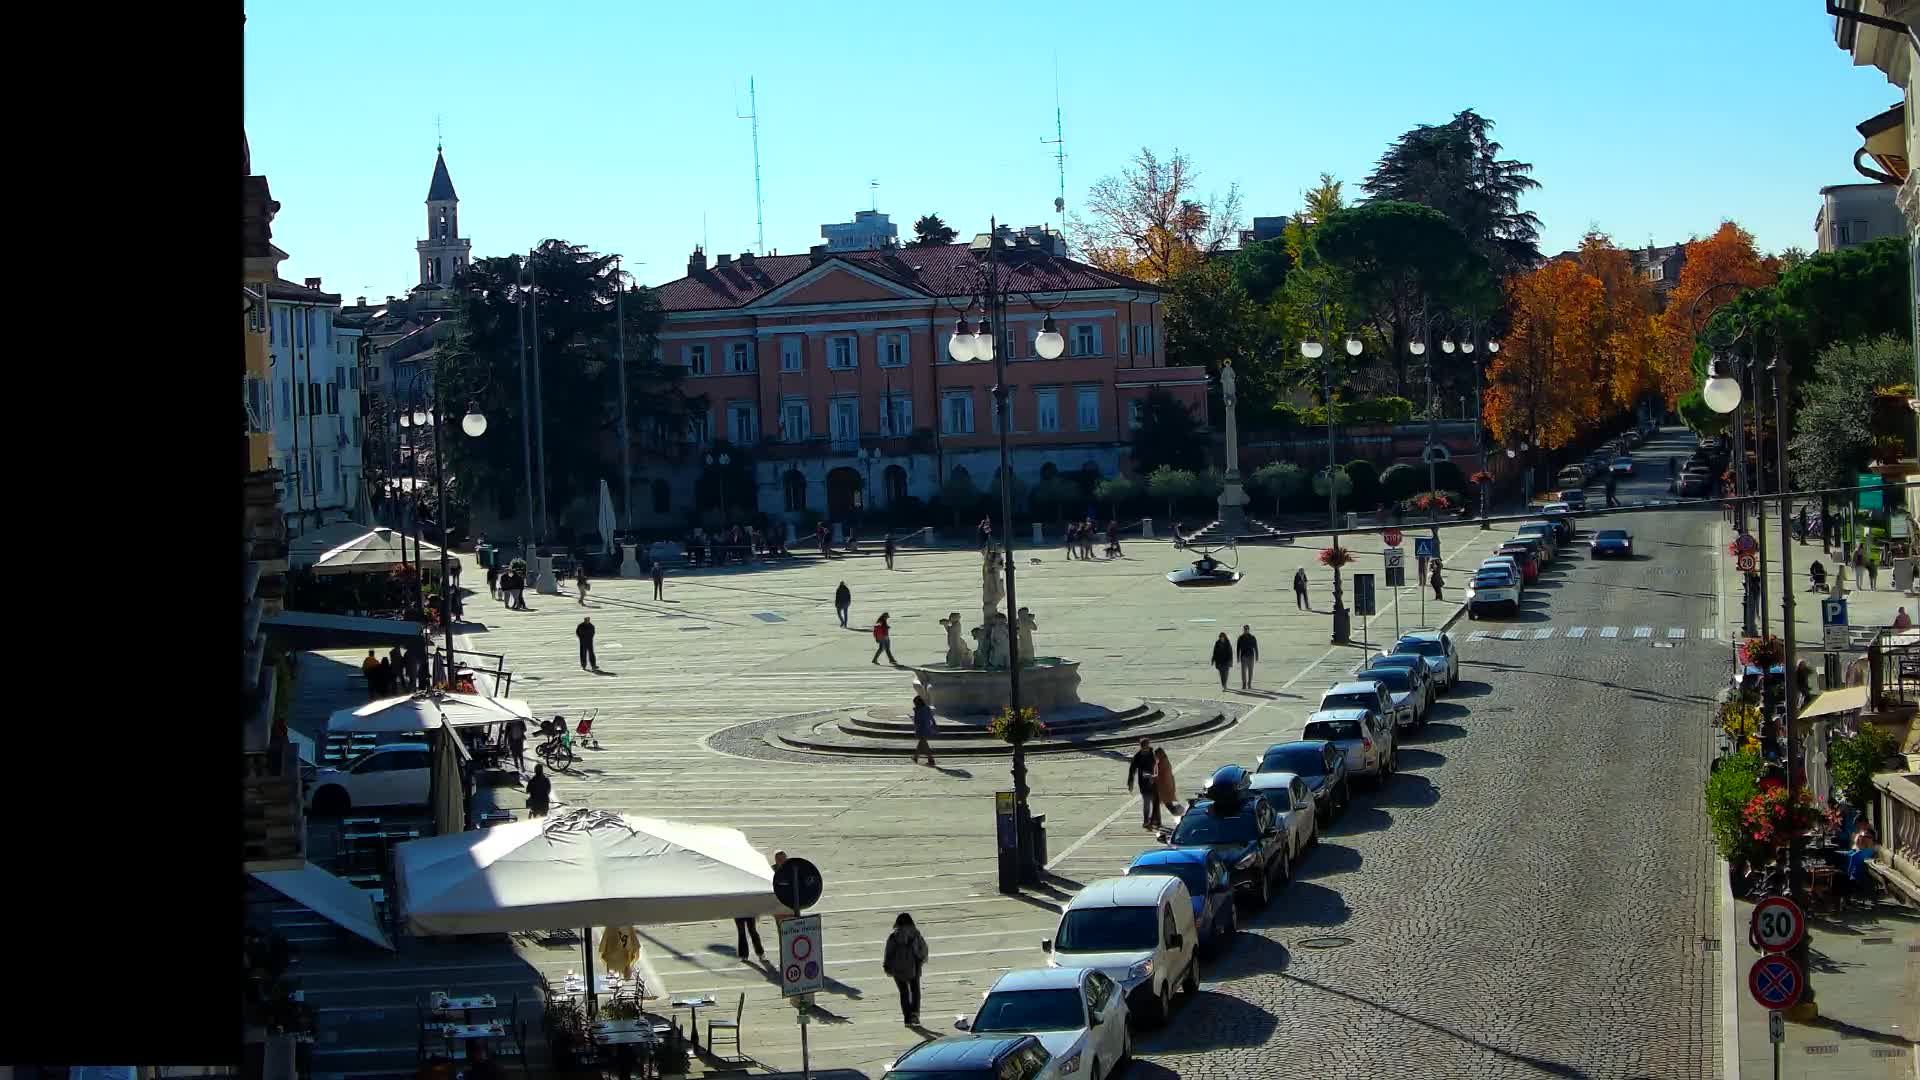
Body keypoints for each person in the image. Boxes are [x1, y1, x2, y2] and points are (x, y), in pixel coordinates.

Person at [881, 912, 929, 1027]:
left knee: (904, 992)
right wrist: (921, 959)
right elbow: (922, 949)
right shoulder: (915, 934)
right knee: (915, 990)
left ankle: (907, 1018)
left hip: (898, 968)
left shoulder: (893, 936)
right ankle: (915, 1014)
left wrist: (887, 965)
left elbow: (889, 952)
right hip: (914, 966)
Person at [1126, 737, 1159, 829]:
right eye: (1144, 747)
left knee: (1154, 802)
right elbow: (1132, 770)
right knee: (1147, 802)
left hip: (1153, 781)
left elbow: (1158, 767)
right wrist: (1130, 782)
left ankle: (1154, 819)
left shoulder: (1153, 754)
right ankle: (1146, 820)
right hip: (1143, 783)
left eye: (1146, 746)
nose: (1145, 748)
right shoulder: (1138, 756)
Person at [1153, 746, 1180, 820]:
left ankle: (1179, 814)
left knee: (1164, 803)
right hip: (1167, 784)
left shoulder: (1161, 763)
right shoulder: (1164, 761)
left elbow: (1157, 774)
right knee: (1167, 803)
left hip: (1163, 786)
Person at [910, 695, 937, 766]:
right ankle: (915, 757)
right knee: (922, 743)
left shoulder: (917, 709)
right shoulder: (927, 708)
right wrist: (934, 726)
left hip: (921, 729)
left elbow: (916, 721)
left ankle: (931, 759)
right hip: (927, 728)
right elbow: (931, 718)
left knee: (924, 744)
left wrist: (912, 718)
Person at [1235, 624, 1259, 689]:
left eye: (1247, 629)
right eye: (1245, 629)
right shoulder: (1240, 638)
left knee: (1250, 671)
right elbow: (1238, 648)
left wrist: (1257, 656)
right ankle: (1244, 684)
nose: (1246, 630)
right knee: (1243, 671)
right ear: (1243, 630)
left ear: (1248, 630)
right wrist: (1238, 657)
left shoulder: (1252, 637)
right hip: (1243, 656)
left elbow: (1255, 647)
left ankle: (1249, 684)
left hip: (1251, 656)